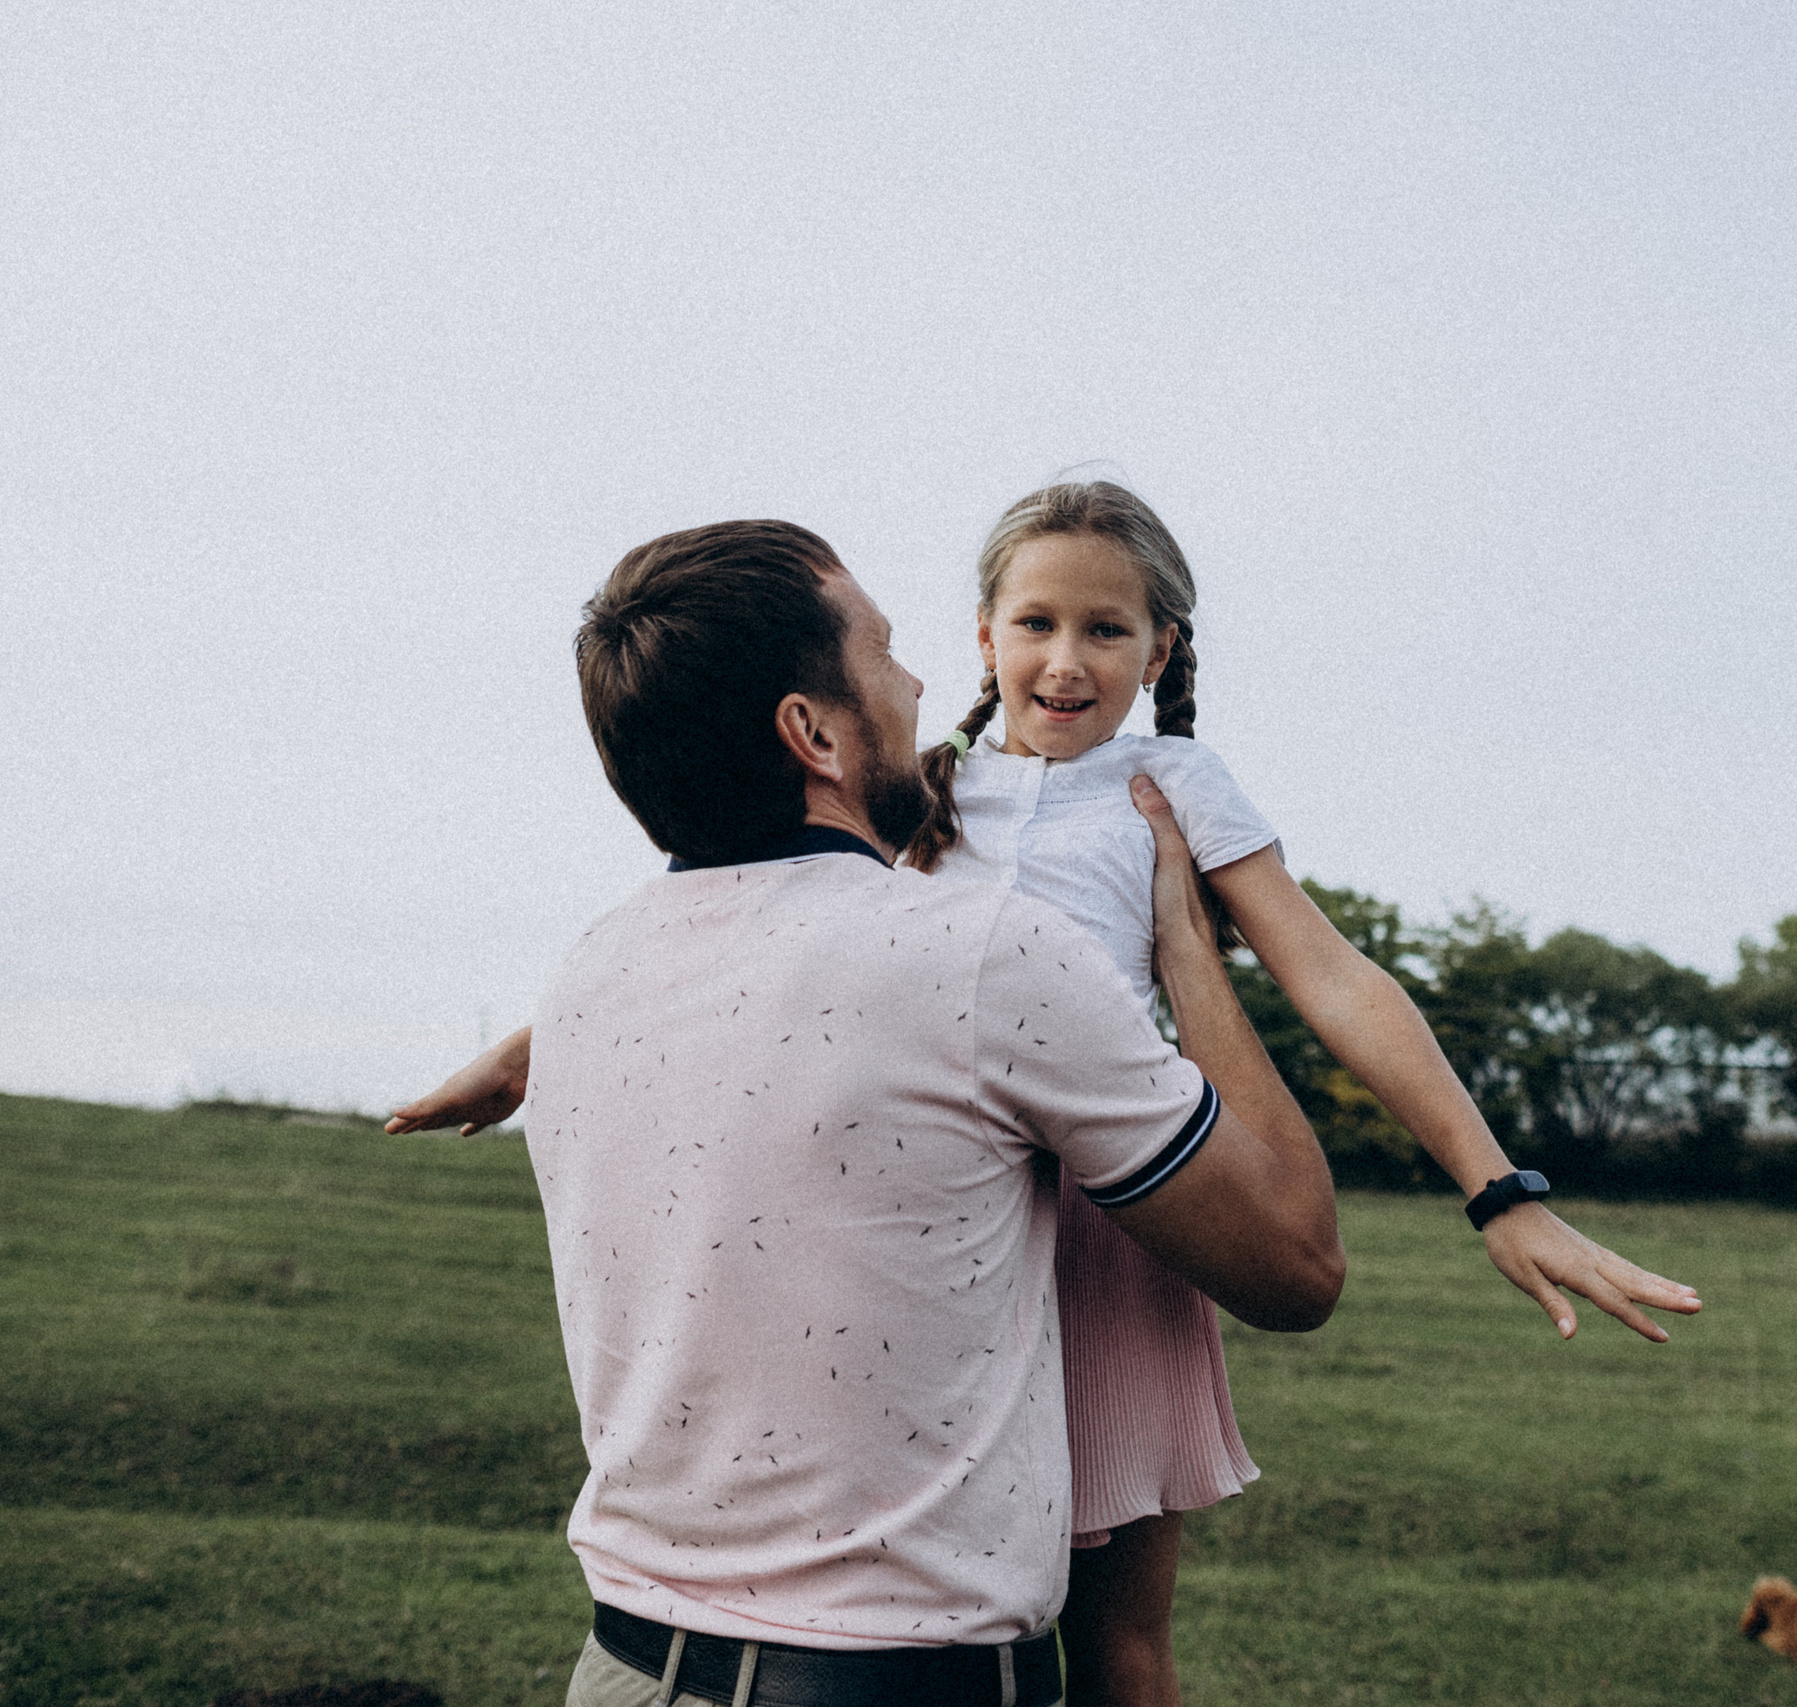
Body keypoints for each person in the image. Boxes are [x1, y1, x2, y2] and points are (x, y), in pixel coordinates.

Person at [396, 486, 1703, 1707]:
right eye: (1034, 622)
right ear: (983, 639)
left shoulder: (1170, 790)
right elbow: (768, 940)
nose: (1065, 659)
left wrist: (1498, 1187)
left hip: (1143, 1203)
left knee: (1118, 1622)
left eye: (1105, 627)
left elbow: (1337, 980)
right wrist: (535, 1047)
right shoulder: (939, 796)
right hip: (959, 1206)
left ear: (1161, 647)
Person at [487, 519, 1342, 1707]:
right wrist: (1187, 953)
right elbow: (1296, 1266)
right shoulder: (981, 955)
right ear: (815, 732)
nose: (923, 681)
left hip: (626, 1667)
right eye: (883, 652)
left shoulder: (589, 973)